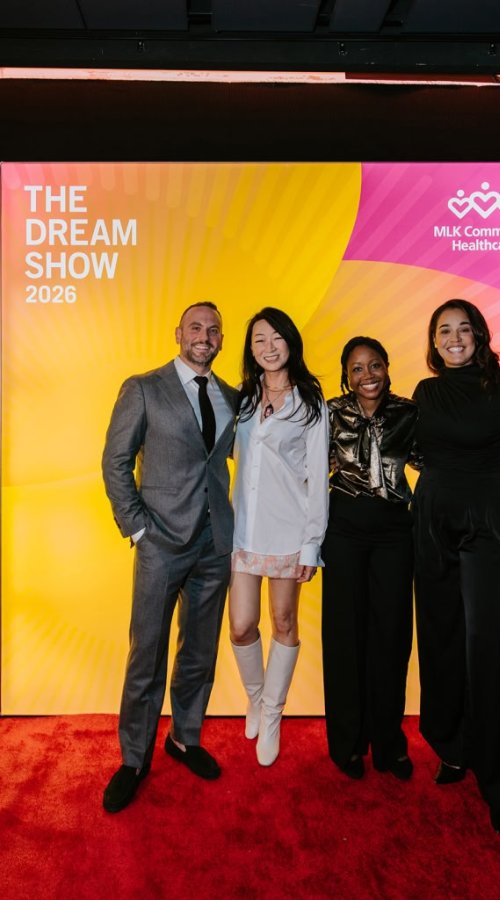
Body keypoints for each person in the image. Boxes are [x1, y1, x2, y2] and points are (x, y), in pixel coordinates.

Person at [412, 299, 500, 834]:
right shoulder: (426, 392)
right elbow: (413, 451)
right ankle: (455, 748)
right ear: (433, 340)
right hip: (433, 525)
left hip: (494, 527)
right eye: (443, 330)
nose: (453, 338)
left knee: (492, 652)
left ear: (480, 335)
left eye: (463, 329)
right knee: (442, 640)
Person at [101, 301, 239, 812]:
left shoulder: (232, 396)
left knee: (200, 651)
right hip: (159, 543)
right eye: (196, 327)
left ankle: (184, 737)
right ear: (178, 333)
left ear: (221, 340)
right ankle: (134, 759)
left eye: (214, 329)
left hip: (214, 544)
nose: (205, 335)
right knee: (148, 652)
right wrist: (138, 529)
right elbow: (115, 462)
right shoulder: (143, 388)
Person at [228, 307, 329, 766]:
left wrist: (312, 542)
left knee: (284, 622)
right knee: (241, 625)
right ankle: (256, 697)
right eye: (259, 340)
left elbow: (317, 475)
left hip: (289, 529)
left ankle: (272, 714)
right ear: (251, 350)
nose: (268, 347)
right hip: (244, 528)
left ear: (290, 341)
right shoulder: (243, 398)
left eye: (276, 338)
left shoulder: (310, 402)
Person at [322, 337, 418, 780]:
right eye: (357, 368)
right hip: (343, 529)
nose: (367, 375)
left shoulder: (409, 412)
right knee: (344, 635)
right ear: (346, 375)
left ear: (387, 366)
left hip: (395, 533)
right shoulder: (329, 412)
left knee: (391, 636)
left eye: (374, 365)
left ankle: (388, 743)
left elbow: (433, 462)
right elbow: (308, 470)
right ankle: (347, 743)